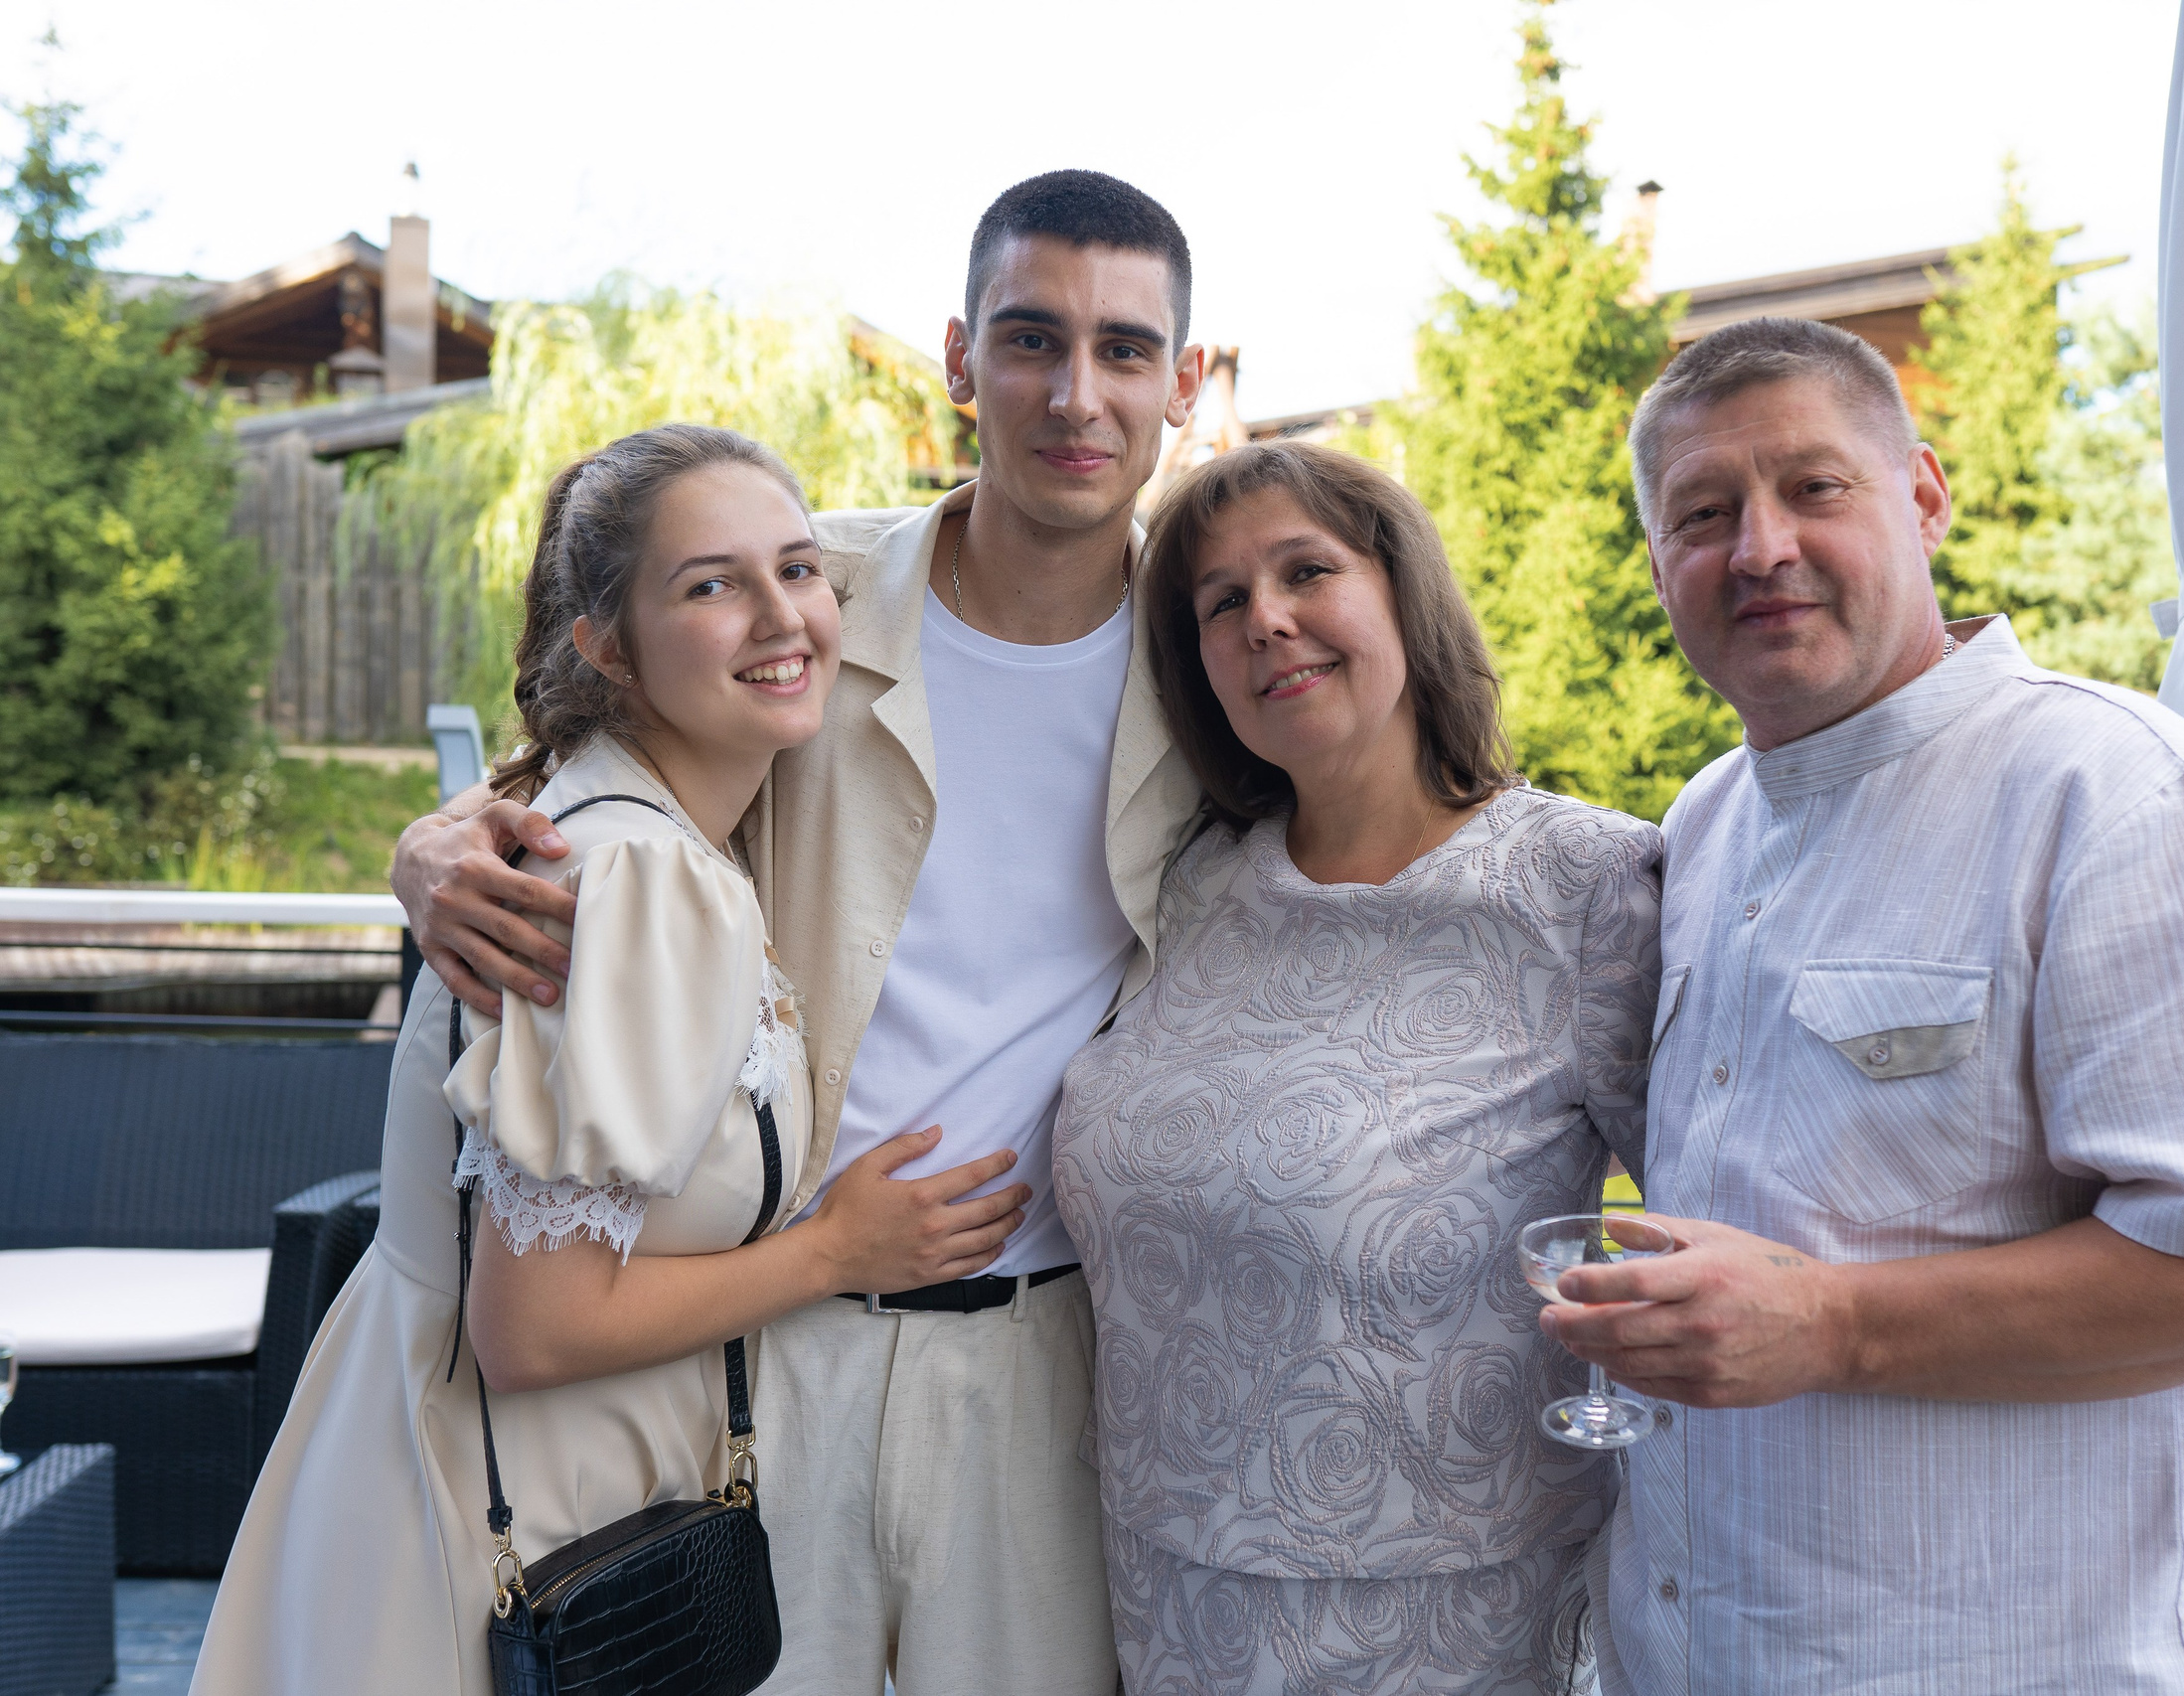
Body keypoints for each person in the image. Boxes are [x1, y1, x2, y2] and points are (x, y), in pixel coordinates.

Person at [388, 171, 1209, 1694]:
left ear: (1187, 380)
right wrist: (431, 847)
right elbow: (577, 770)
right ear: (960, 358)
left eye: (1124, 349)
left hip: (1047, 1352)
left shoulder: (1216, 655)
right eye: (1030, 339)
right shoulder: (803, 599)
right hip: (763, 1341)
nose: (1074, 393)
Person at [1538, 316, 2184, 1695]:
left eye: (1814, 486)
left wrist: (1831, 1321)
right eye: (1702, 514)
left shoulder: (2126, 797)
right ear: (1659, 566)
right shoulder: (1705, 819)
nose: (1760, 546)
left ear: (1924, 495)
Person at [193, 425, 1034, 1695]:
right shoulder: (642, 876)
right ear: (605, 646)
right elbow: (536, 1327)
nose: (781, 617)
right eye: (709, 585)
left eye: (797, 569)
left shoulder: (613, 823)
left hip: (454, 1462)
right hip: (515, 1521)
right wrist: (837, 1253)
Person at [1051, 441, 1660, 1696]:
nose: (1266, 619)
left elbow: (1730, 1230)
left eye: (1306, 571)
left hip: (1452, 1618)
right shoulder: (1187, 888)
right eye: (1221, 602)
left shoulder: (1588, 888)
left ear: (1402, 592)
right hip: (1168, 1600)